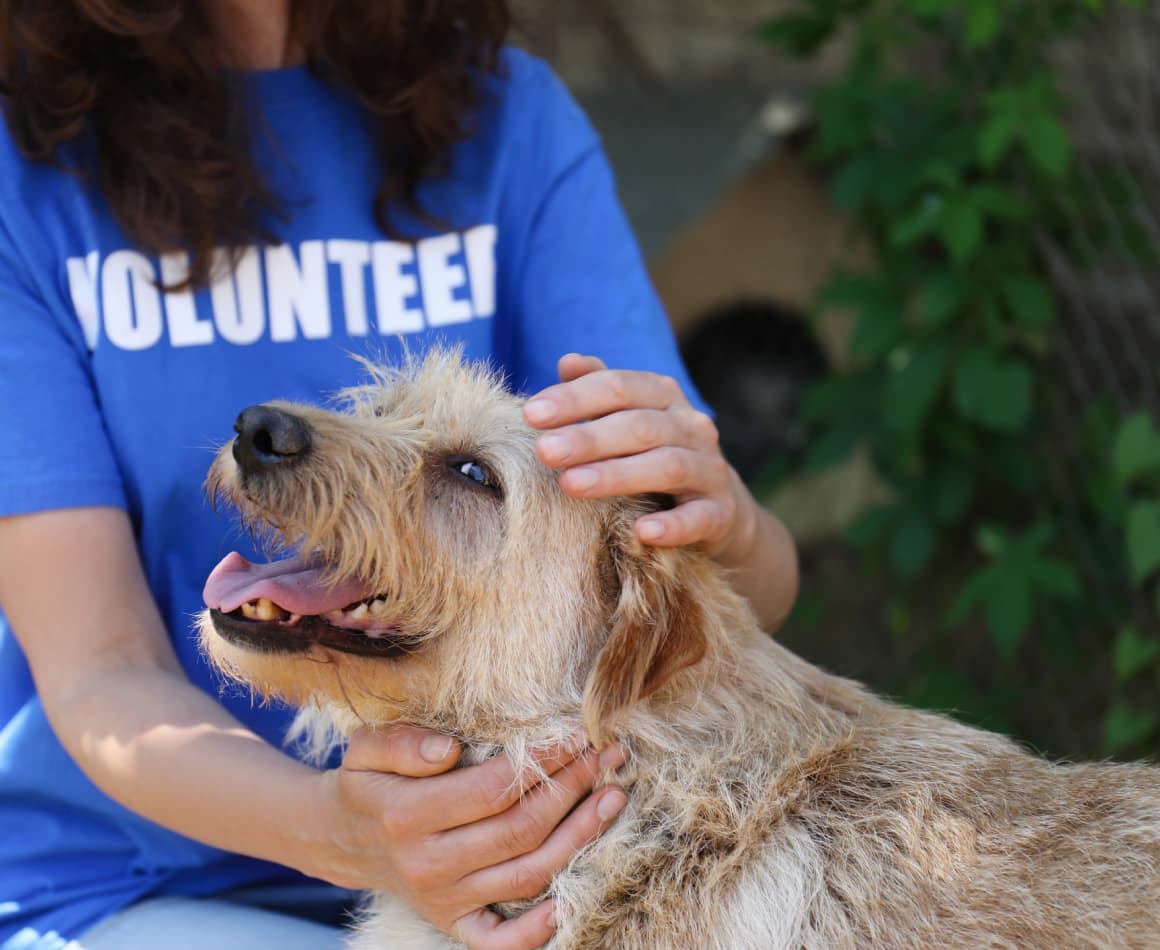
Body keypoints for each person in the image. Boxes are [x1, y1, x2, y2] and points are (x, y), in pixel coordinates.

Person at [0, 2, 800, 948]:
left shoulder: (506, 117)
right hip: (141, 883)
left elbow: (718, 593)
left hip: (526, 863)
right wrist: (342, 834)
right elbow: (103, 671)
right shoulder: (27, 158)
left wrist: (727, 522)